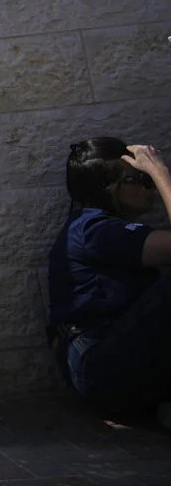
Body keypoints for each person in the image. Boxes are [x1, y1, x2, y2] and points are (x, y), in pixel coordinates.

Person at [47, 138, 171, 428]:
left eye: (148, 178)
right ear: (110, 189)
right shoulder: (94, 230)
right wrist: (160, 172)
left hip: (113, 365)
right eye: (140, 179)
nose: (149, 187)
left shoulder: (106, 228)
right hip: (101, 369)